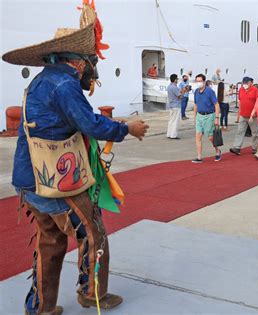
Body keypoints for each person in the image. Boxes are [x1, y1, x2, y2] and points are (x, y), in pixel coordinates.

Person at [2, 3, 149, 314]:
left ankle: (41, 308)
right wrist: (127, 128)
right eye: (92, 62)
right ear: (79, 62)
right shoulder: (65, 84)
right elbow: (91, 124)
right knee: (93, 233)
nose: (93, 69)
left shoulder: (42, 80)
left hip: (28, 179)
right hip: (54, 181)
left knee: (50, 242)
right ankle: (92, 294)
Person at [193, 74, 221, 163]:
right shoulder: (196, 92)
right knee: (198, 136)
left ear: (204, 82)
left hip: (209, 116)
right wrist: (194, 116)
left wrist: (217, 117)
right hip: (199, 116)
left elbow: (216, 105)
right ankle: (199, 157)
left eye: (200, 81)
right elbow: (195, 104)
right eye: (197, 81)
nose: (198, 83)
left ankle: (217, 151)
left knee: (210, 137)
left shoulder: (210, 92)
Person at [230, 77, 258, 155]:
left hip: (253, 115)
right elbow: (240, 101)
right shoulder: (241, 90)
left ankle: (255, 148)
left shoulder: (255, 90)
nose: (245, 85)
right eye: (244, 83)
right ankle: (237, 147)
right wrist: (239, 113)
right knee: (240, 131)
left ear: (250, 83)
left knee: (255, 132)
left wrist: (254, 113)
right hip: (243, 115)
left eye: (246, 83)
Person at [167, 74, 186, 139]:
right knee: (175, 121)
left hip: (171, 105)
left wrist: (181, 91)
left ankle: (169, 134)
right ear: (175, 80)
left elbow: (176, 93)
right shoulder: (174, 87)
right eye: (177, 79)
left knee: (171, 120)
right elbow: (180, 97)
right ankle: (173, 135)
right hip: (176, 106)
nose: (177, 80)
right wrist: (184, 92)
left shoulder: (169, 86)